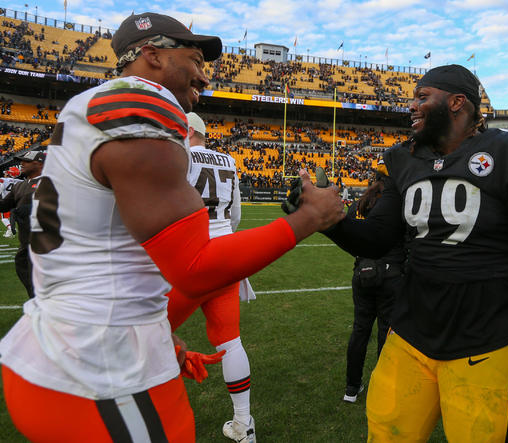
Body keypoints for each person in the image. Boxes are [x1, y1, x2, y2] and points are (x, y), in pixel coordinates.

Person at [0, 12, 344, 443]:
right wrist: (310, 218)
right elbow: (195, 267)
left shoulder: (84, 107)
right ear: (152, 55)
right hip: (102, 376)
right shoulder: (140, 105)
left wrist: (156, 331)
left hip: (60, 348)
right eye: (196, 59)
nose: (204, 75)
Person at [317, 65, 508, 442]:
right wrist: (330, 222)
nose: (411, 106)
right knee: (385, 434)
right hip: (412, 331)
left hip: (487, 339)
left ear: (456, 102)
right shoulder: (404, 158)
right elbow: (379, 239)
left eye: (422, 97)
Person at [166, 112, 256, 443]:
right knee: (231, 341)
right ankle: (243, 424)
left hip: (190, 256)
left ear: (186, 131)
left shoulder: (179, 155)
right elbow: (236, 214)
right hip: (223, 253)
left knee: (147, 331)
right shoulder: (227, 160)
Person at [343, 171, 404, 403]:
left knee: (360, 330)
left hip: (363, 272)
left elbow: (348, 230)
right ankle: (383, 388)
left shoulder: (362, 202)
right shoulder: (396, 203)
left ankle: (351, 388)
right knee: (386, 333)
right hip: (391, 274)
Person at [0, 150, 45, 298]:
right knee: (31, 286)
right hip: (25, 244)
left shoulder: (50, 182)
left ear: (38, 163)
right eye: (21, 160)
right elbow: (3, 206)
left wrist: (32, 208)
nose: (21, 164)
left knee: (44, 287)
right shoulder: (19, 186)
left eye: (26, 161)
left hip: (45, 244)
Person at [0, 166, 22, 238]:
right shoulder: (18, 181)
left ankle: (10, 228)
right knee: (11, 217)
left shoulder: (3, 180)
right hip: (15, 202)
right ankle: (9, 231)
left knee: (3, 218)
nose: (5, 174)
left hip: (5, 201)